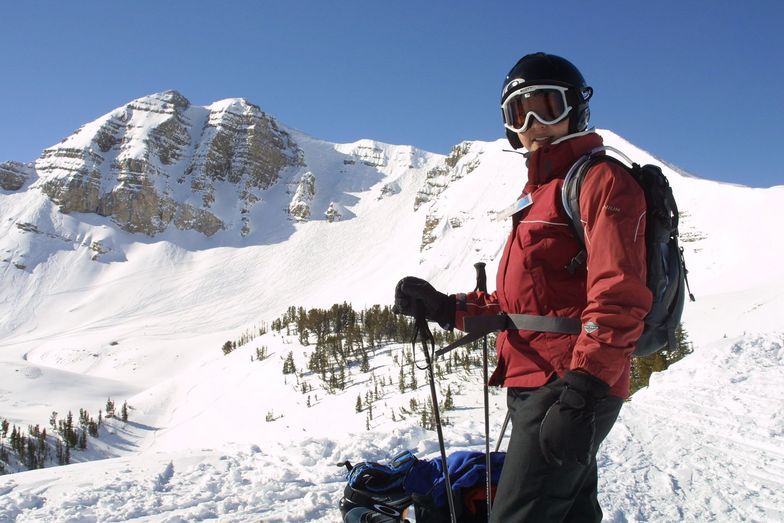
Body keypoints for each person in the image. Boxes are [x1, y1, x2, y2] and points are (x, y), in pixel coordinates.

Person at [393, 52, 652, 522]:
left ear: (576, 109)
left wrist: (584, 389)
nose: (534, 122)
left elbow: (619, 295)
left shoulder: (601, 181)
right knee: (571, 512)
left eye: (547, 106)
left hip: (568, 381)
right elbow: (518, 305)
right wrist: (444, 307)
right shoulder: (540, 194)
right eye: (520, 111)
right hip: (540, 379)